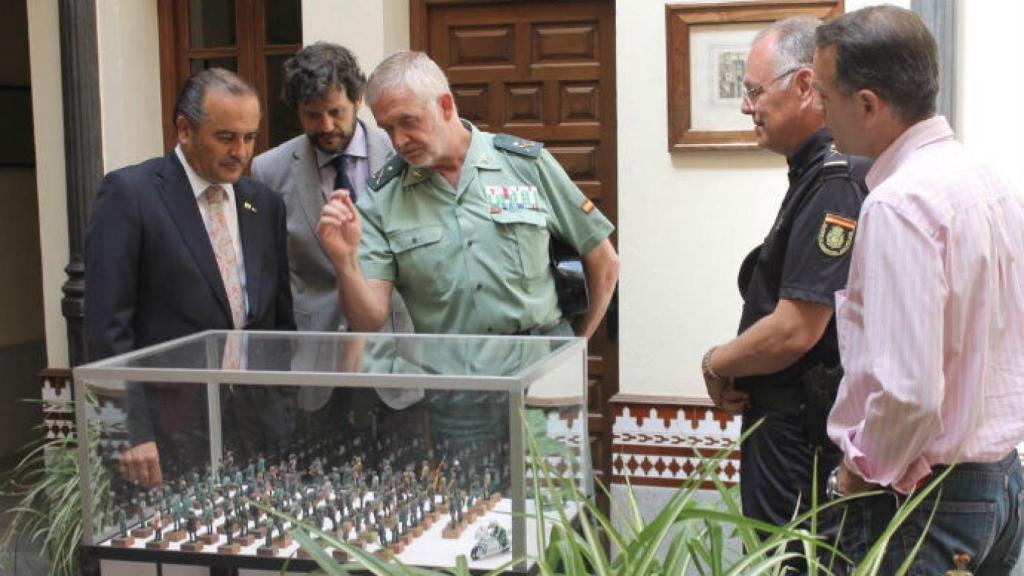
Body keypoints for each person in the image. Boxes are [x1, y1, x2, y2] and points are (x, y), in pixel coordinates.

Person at [813, 6, 1024, 574]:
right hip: (1001, 483)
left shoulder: (900, 204)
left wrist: (856, 470)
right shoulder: (994, 181)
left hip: (924, 498)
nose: (821, 112)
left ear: (867, 104)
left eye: (826, 96)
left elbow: (908, 393)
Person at [699, 17, 869, 571]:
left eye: (754, 92)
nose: (747, 107)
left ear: (802, 86)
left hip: (800, 433)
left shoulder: (835, 178)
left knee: (786, 563)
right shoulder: (813, 173)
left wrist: (717, 362)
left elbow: (798, 326)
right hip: (787, 426)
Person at [85, 68, 296, 488]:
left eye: (250, 137)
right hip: (164, 437)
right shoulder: (131, 195)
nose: (241, 151)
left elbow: (277, 322)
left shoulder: (263, 204)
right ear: (184, 129)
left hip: (255, 431)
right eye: (226, 137)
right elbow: (107, 330)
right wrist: (126, 433)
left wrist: (282, 412)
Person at [315, 50, 619, 339]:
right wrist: (345, 261)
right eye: (387, 128)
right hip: (453, 382)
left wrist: (574, 347)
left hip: (542, 376)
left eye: (408, 121)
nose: (399, 140)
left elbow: (604, 261)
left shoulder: (525, 165)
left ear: (446, 106)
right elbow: (368, 322)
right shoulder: (382, 198)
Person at [252, 42, 411, 335]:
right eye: (312, 115)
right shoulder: (268, 170)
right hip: (314, 349)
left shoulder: (403, 157)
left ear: (359, 99)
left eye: (335, 112)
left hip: (393, 346)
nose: (325, 126)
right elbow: (267, 271)